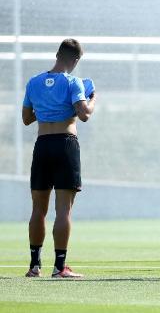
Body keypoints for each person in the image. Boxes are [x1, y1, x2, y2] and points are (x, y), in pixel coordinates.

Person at [23, 38, 97, 278]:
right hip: (65, 144)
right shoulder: (73, 82)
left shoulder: (33, 82)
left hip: (42, 144)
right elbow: (84, 114)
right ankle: (59, 267)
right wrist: (92, 96)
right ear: (75, 60)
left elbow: (27, 118)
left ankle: (34, 266)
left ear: (57, 54)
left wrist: (48, 108)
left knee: (38, 209)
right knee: (63, 209)